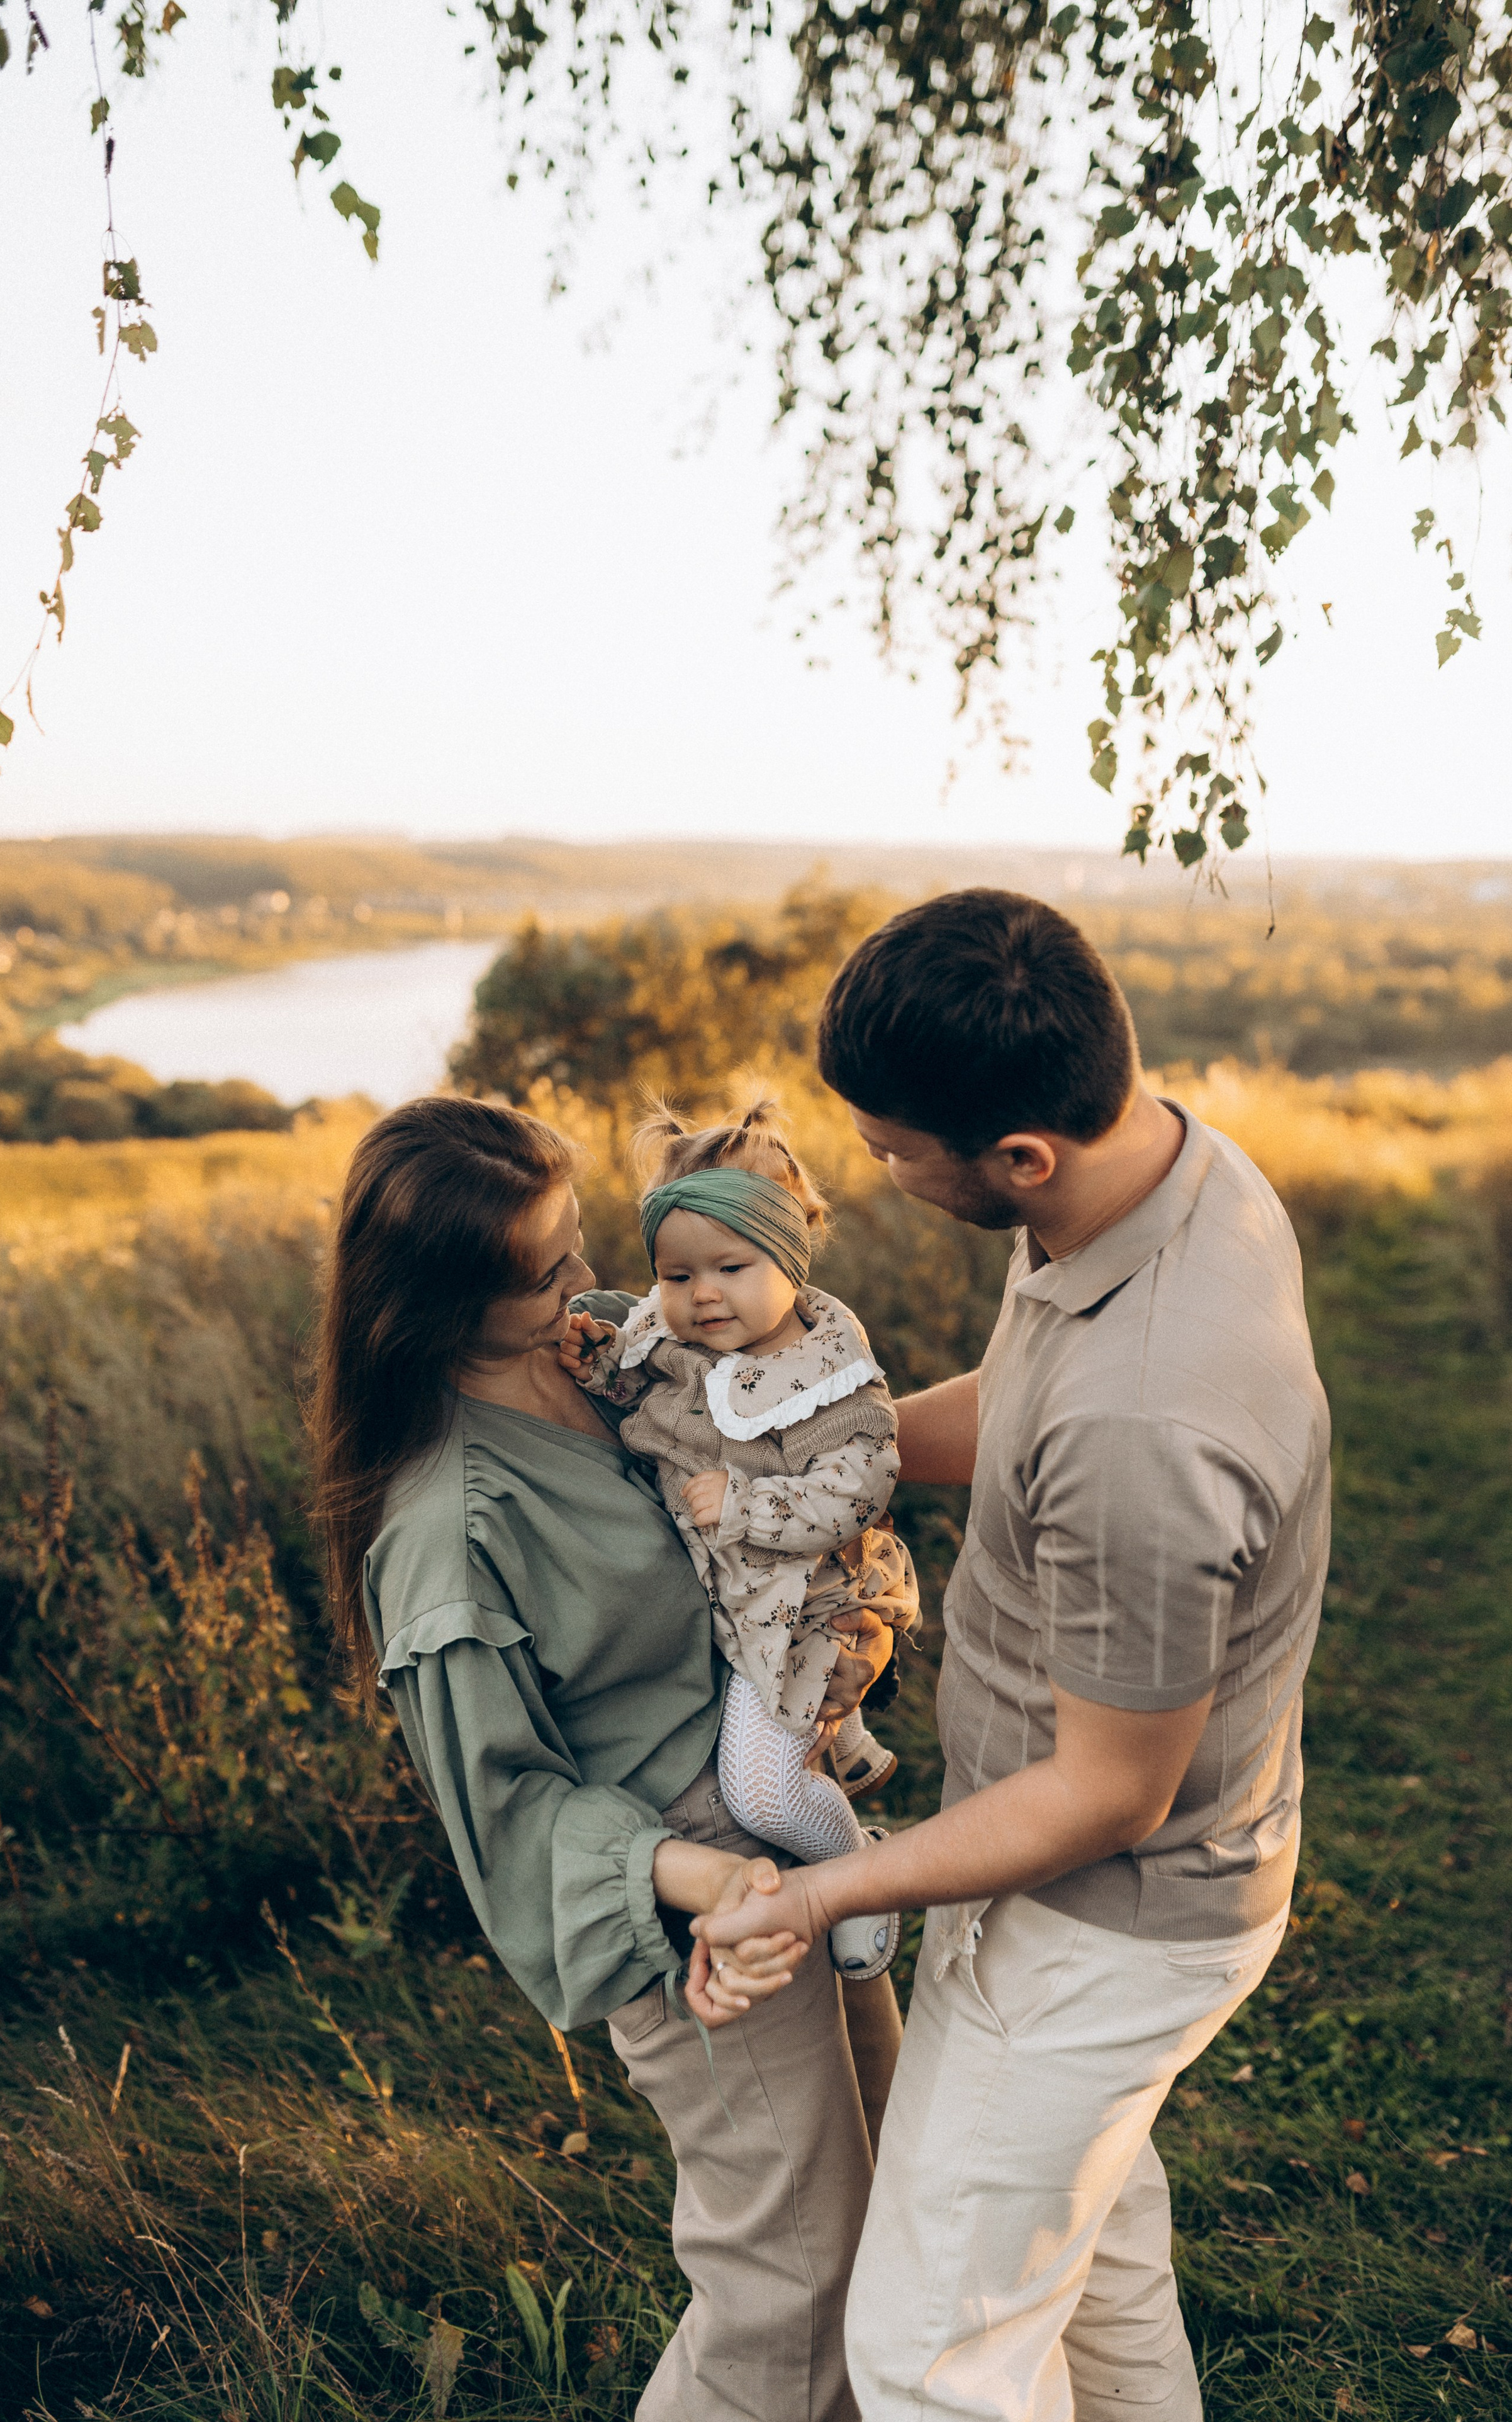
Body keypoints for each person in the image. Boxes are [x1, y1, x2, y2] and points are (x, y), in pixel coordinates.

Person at [700, 889, 1331, 2421]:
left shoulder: (1148, 1421)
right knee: (1092, 2268)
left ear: (1018, 1157)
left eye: (894, 1148)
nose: (871, 1168)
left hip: (1101, 1916)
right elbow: (1031, 1389)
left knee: (932, 2354)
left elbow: (1107, 1791)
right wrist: (807, 1458)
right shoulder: (1157, 1171)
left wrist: (828, 1882)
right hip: (1083, 1881)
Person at [306, 1092, 904, 2422]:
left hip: (783, 1816)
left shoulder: (592, 1350)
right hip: (698, 1901)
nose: (589, 1276)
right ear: (444, 1304)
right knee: (789, 2282)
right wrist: (717, 1883)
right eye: (547, 1266)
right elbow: (509, 1818)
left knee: (892, 2214)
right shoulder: (447, 1528)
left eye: (578, 1237)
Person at [557, 1098, 917, 1983]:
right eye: (675, 1276)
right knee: (775, 1759)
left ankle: (859, 1876)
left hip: (800, 1610)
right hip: (730, 1600)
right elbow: (643, 1387)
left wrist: (751, 1504)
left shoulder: (825, 1372)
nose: (701, 1294)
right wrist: (597, 1359)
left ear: (790, 1256)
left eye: (730, 1266)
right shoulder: (677, 1332)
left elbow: (862, 1484)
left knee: (761, 1793)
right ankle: (839, 1754)